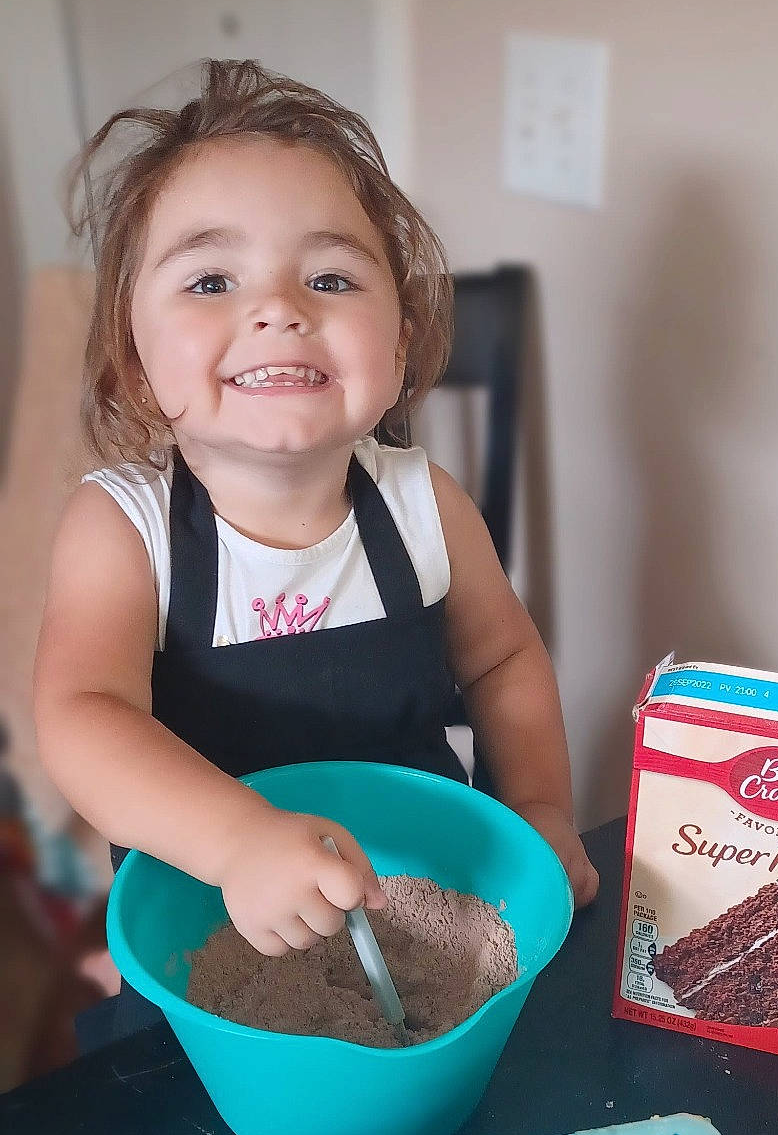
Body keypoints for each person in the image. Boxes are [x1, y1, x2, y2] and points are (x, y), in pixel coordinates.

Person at [34, 59, 598, 992]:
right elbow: (83, 717)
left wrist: (536, 807)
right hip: (205, 924)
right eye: (210, 281)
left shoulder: (427, 507)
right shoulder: (123, 527)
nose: (278, 310)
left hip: (423, 899)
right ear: (134, 365)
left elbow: (503, 662)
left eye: (331, 278)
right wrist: (235, 841)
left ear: (400, 342)